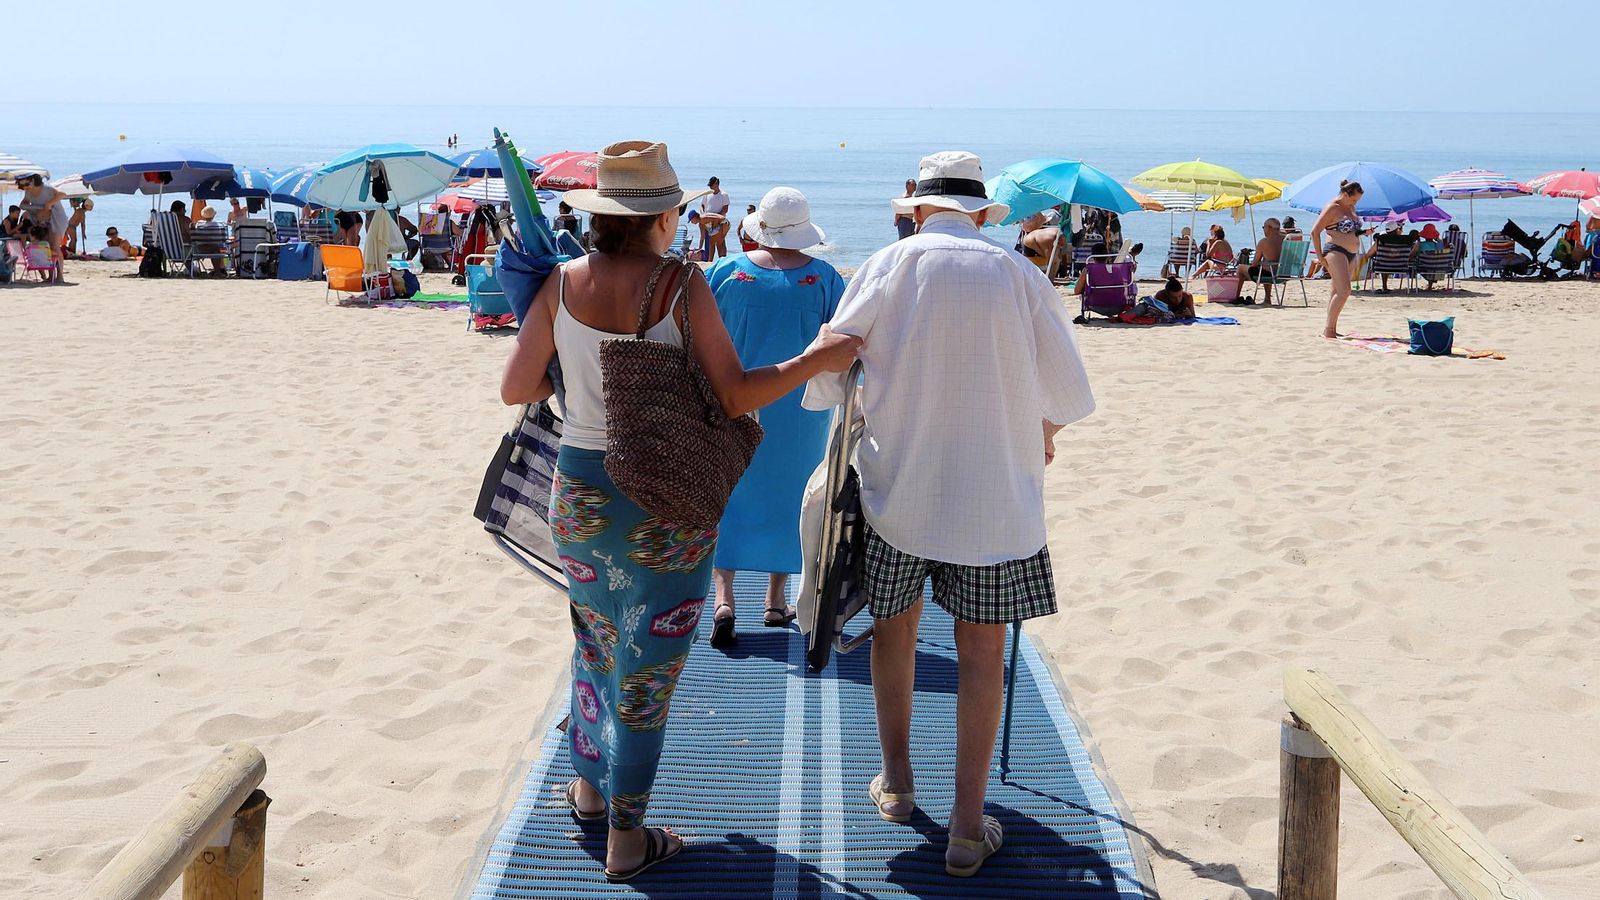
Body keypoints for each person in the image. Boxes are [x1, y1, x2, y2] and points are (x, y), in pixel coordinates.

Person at [498, 141, 859, 882]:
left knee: (595, 641)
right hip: (661, 499)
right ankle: (627, 841)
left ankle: (588, 791)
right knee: (649, 668)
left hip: (582, 494)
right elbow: (731, 396)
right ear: (665, 217)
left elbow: (516, 388)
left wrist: (586, 388)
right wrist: (813, 362)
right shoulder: (679, 282)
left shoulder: (561, 282)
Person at [802, 151, 1094, 879]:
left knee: (894, 633)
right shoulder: (1020, 275)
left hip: (899, 489)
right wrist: (1041, 435)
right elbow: (1068, 394)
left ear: (918, 207)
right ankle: (967, 825)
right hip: (994, 501)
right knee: (981, 654)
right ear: (980, 213)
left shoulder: (886, 266)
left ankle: (898, 784)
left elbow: (831, 375)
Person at [705, 188, 845, 646]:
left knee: (727, 492)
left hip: (732, 400)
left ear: (758, 228)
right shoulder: (823, 278)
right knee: (794, 495)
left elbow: (694, 331)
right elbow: (844, 340)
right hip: (799, 408)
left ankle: (724, 597)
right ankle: (774, 598)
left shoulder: (726, 272)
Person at [1310, 180, 1367, 337]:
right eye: (1353, 199)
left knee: (1336, 291)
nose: (1354, 203)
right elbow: (1315, 232)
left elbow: (1350, 231)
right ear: (1345, 194)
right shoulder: (1332, 208)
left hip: (1350, 252)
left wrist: (1363, 233)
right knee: (1344, 290)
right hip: (1335, 250)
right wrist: (1320, 256)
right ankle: (1328, 331)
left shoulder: (1351, 208)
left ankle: (1331, 329)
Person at [17, 174, 70, 280]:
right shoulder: (28, 192)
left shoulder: (47, 189)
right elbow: (25, 201)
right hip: (42, 221)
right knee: (47, 247)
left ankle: (60, 276)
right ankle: (51, 276)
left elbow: (62, 194)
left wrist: (49, 203)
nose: (25, 187)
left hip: (56, 219)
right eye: (22, 186)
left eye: (27, 184)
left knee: (55, 246)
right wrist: (23, 204)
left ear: (33, 181)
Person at [1362, 221, 1419, 293]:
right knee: (1386, 262)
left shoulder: (1380, 239)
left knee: (1384, 262)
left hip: (1383, 267)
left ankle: (1384, 287)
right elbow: (1412, 251)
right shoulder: (1407, 239)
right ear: (1396, 230)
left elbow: (1369, 254)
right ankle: (1385, 287)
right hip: (1401, 267)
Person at [1239, 217, 1285, 303]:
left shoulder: (1264, 242)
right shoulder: (1287, 239)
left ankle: (1236, 297)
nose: (1263, 230)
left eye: (1264, 227)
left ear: (1269, 228)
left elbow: (1254, 263)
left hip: (1271, 275)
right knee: (1266, 267)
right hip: (1284, 273)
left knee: (1241, 268)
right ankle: (1267, 299)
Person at [699, 176, 731, 259]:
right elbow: (702, 205)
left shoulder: (724, 195)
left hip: (719, 222)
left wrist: (716, 218)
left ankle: (722, 259)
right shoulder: (707, 194)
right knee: (710, 243)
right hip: (708, 222)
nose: (710, 187)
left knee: (720, 243)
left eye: (711, 185)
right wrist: (703, 214)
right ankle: (709, 261)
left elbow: (725, 209)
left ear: (716, 184)